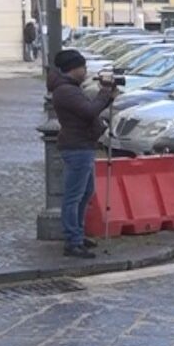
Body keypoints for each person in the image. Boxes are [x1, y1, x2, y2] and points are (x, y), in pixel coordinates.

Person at [47, 49, 117, 259]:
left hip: (83, 145)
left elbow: (88, 109)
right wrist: (104, 92)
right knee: (74, 196)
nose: (86, 71)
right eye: (83, 67)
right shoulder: (66, 91)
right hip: (77, 147)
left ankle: (78, 234)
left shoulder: (70, 88)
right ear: (73, 69)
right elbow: (88, 111)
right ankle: (72, 241)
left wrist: (107, 97)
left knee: (86, 193)